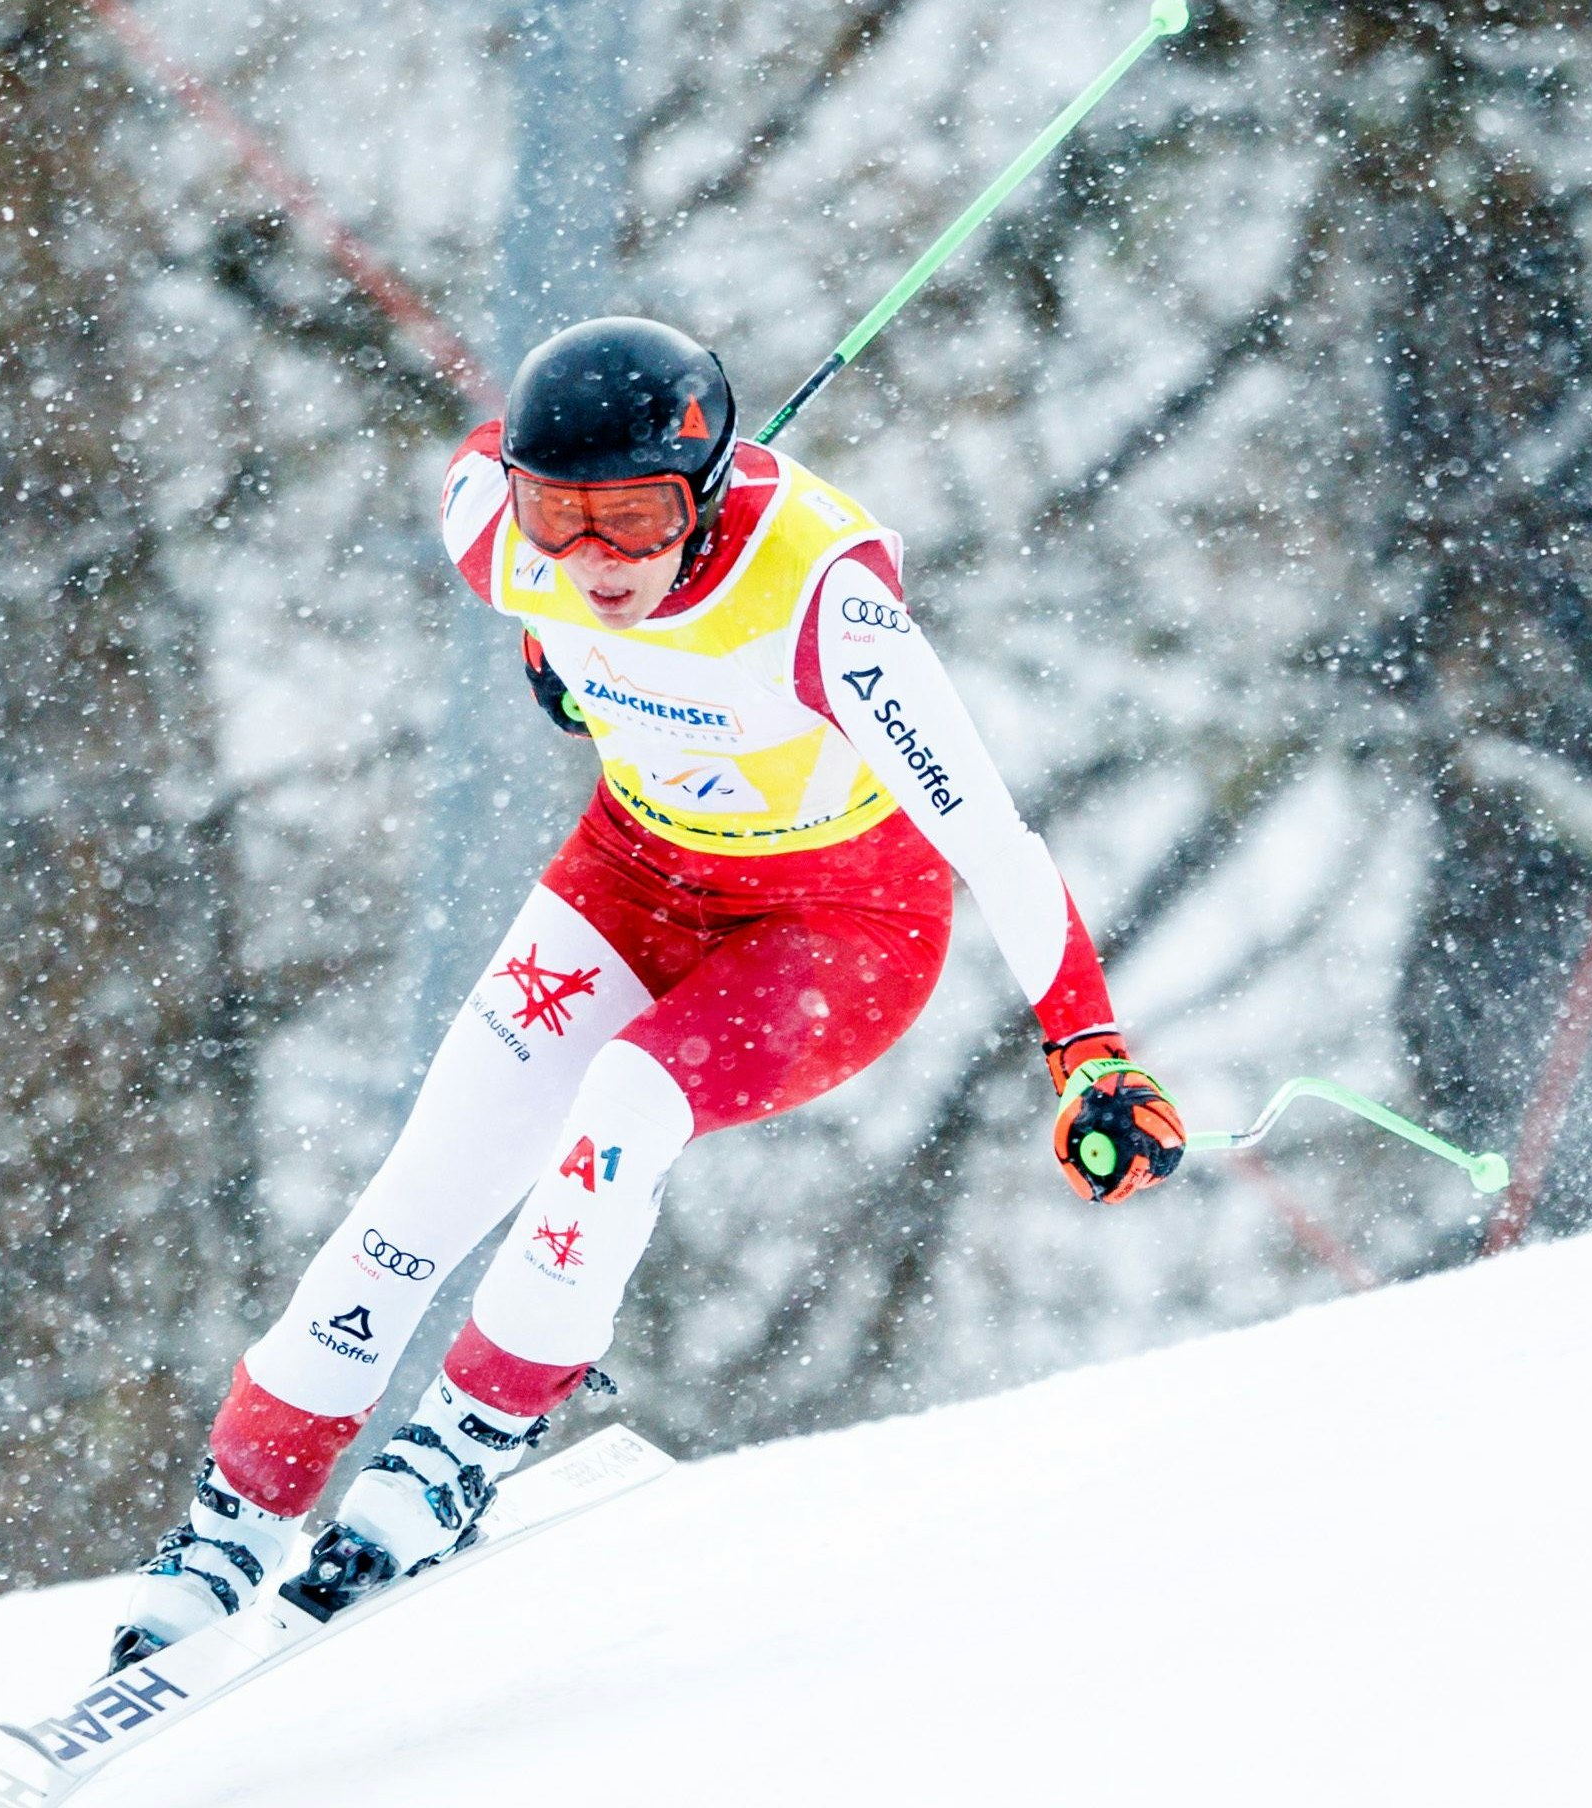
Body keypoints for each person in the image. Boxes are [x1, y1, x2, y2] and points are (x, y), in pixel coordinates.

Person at [107, 316, 1185, 1665]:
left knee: (623, 1104)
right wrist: (554, 646)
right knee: (423, 1190)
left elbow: (994, 844)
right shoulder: (493, 525)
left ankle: (466, 1439)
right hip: (633, 878)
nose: (594, 559)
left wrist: (1086, 1046)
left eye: (635, 519)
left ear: (708, 495)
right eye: (561, 518)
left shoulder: (825, 604)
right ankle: (232, 1521)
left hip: (834, 928)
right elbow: (531, 549)